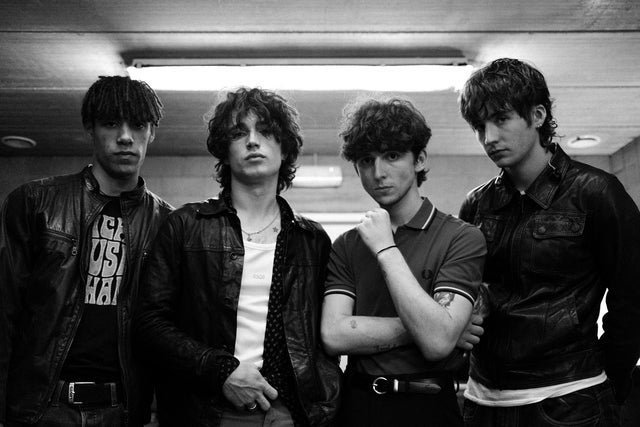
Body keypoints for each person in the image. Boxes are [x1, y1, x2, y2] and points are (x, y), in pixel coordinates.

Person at [133, 87, 341, 426]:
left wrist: (314, 402)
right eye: (239, 133)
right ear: (224, 151)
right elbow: (149, 325)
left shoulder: (311, 239)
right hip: (206, 411)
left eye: (266, 132)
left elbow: (321, 337)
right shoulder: (186, 226)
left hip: (288, 413)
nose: (253, 141)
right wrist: (221, 371)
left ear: (285, 148)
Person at [458, 57, 640, 426]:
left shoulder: (596, 192)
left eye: (501, 119)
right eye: (479, 126)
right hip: (483, 400)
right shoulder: (477, 204)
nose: (489, 138)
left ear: (538, 115)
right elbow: (467, 292)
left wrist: (607, 385)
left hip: (570, 401)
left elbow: (634, 297)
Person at [0, 76, 172, 426]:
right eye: (111, 124)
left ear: (152, 132)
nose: (125, 137)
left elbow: (167, 326)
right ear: (89, 129)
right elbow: (5, 310)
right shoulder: (36, 202)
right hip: (41, 408)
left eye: (138, 125)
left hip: (123, 411)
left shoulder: (167, 223)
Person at [321, 97, 487, 427]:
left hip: (429, 407)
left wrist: (385, 248)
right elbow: (334, 335)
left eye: (392, 156)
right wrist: (437, 327)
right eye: (366, 160)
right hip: (358, 404)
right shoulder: (347, 244)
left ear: (419, 159)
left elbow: (437, 344)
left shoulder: (462, 237)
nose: (378, 172)